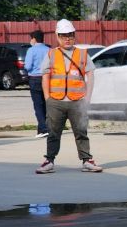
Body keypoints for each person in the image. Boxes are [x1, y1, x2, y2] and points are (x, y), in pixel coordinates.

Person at [35, 19, 103, 174]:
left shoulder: (82, 54)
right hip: (56, 101)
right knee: (53, 133)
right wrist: (47, 98)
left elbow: (90, 75)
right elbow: (45, 77)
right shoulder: (51, 54)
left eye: (70, 35)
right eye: (64, 35)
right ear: (57, 37)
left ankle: (87, 160)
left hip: (77, 101)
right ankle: (49, 161)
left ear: (74, 36)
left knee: (81, 132)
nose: (67, 38)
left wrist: (87, 98)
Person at [24, 29, 51, 138]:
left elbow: (28, 66)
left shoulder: (31, 50)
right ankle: (43, 128)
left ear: (34, 39)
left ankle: (44, 129)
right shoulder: (50, 50)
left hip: (35, 78)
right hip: (48, 78)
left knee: (38, 105)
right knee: (46, 104)